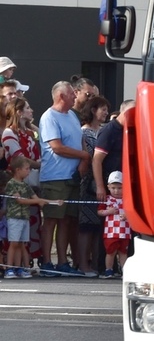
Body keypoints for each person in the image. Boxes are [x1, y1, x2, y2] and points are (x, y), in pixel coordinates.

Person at [38, 81, 91, 277]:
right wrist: (84, 156)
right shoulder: (49, 117)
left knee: (67, 220)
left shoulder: (71, 116)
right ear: (61, 96)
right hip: (55, 177)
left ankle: (62, 261)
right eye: (71, 94)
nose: (75, 97)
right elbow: (57, 147)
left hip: (72, 176)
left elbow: (81, 139)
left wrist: (84, 157)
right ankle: (46, 262)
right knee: (51, 220)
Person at [2, 98, 44, 269]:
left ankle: (25, 263)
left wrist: (31, 126)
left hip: (30, 184)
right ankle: (10, 264)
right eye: (27, 108)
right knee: (13, 225)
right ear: (18, 112)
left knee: (30, 224)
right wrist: (38, 164)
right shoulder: (8, 133)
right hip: (18, 183)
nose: (31, 110)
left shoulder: (28, 133)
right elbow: (18, 158)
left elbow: (41, 139)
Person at [75, 95, 111, 276]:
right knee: (86, 226)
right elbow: (89, 156)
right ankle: (83, 264)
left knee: (100, 226)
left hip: (107, 184)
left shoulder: (105, 130)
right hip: (88, 185)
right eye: (102, 109)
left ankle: (99, 264)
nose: (105, 112)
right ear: (92, 110)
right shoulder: (84, 132)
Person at [4, 156, 51, 278]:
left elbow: (36, 198)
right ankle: (9, 268)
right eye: (26, 169)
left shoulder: (25, 185)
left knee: (21, 244)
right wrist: (37, 201)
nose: (28, 171)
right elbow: (20, 201)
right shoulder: (11, 184)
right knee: (14, 243)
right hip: (15, 218)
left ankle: (18, 268)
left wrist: (53, 201)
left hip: (24, 218)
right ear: (18, 170)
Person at [93, 100, 134, 205]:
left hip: (124, 184)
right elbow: (96, 160)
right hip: (111, 185)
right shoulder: (109, 130)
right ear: (126, 113)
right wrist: (100, 186)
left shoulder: (129, 130)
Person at [97, 171, 130, 279]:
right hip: (110, 232)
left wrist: (127, 216)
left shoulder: (128, 200)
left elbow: (133, 213)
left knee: (123, 253)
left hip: (124, 232)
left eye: (119, 188)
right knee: (110, 252)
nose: (116, 191)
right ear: (108, 187)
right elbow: (99, 212)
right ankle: (109, 270)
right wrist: (108, 212)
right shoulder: (107, 199)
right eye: (113, 188)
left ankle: (125, 272)